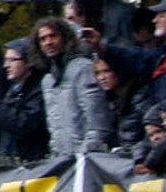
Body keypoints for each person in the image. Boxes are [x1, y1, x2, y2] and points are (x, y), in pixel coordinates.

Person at [36, 16, 111, 156]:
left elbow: (96, 118)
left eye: (53, 36)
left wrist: (87, 154)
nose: (48, 42)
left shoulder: (83, 68)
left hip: (86, 159)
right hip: (62, 161)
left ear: (65, 38)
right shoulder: (48, 80)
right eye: (43, 39)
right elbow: (53, 125)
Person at [93, 53, 146, 150]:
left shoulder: (139, 96)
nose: (101, 78)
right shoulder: (110, 99)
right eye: (97, 73)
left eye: (106, 71)